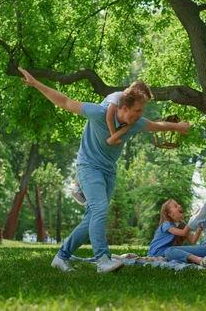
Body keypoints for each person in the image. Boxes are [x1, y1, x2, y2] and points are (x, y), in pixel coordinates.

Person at [17, 67, 193, 273]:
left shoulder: (135, 123)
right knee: (100, 208)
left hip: (109, 171)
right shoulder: (99, 113)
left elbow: (156, 126)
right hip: (88, 167)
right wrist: (37, 83)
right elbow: (64, 102)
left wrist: (177, 127)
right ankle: (102, 259)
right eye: (137, 111)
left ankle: (61, 257)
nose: (140, 115)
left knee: (92, 217)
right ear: (124, 107)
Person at [71, 81, 153, 206]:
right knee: (87, 158)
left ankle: (80, 187)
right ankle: (76, 188)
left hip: (115, 126)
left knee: (128, 127)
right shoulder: (118, 97)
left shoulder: (128, 104)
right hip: (101, 125)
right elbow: (109, 116)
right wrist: (113, 135)